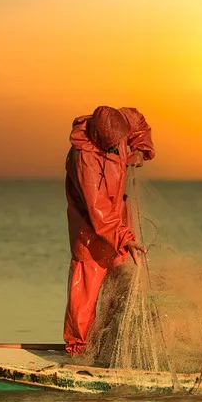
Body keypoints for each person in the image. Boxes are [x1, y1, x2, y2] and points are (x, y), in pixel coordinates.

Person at [64, 106, 155, 357]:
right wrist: (126, 238)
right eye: (114, 147)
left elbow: (140, 124)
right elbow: (98, 210)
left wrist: (140, 151)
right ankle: (78, 349)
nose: (119, 149)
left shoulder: (120, 122)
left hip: (119, 226)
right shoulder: (85, 160)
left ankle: (108, 344)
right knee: (84, 295)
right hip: (90, 232)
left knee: (120, 287)